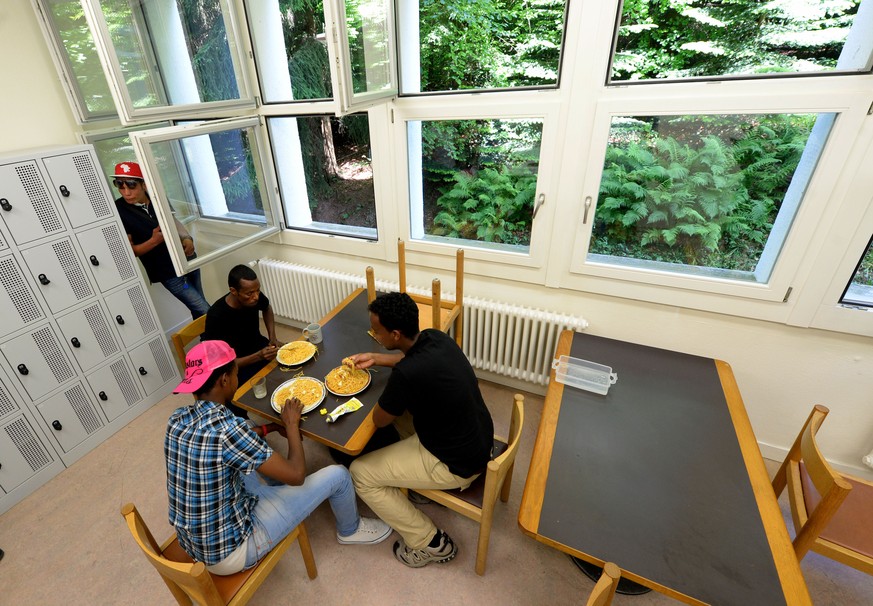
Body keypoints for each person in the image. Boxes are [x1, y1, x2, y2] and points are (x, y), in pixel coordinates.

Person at [165, 340, 392, 575]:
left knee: (247, 423)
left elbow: (232, 438)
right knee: (340, 475)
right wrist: (292, 425)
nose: (236, 376)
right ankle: (350, 530)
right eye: (235, 372)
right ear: (224, 379)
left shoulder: (177, 418)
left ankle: (277, 485)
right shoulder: (228, 432)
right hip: (231, 551)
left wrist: (269, 429)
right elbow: (297, 475)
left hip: (194, 540)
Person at [347, 292, 495, 568]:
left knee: (360, 473)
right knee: (406, 413)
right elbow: (410, 360)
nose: (374, 335)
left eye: (377, 332)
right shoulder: (435, 337)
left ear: (395, 334)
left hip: (456, 464)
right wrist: (376, 358)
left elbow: (379, 420)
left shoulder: (407, 376)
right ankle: (417, 487)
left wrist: (388, 393)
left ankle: (429, 542)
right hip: (478, 438)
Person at [111, 161, 210, 319]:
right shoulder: (118, 210)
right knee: (206, 310)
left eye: (131, 185)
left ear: (144, 184)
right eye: (120, 186)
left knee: (198, 307)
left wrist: (187, 238)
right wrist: (154, 241)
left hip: (187, 259)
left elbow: (173, 221)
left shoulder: (157, 197)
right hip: (167, 272)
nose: (126, 192)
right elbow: (132, 251)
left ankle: (206, 341)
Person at [203, 264, 281, 392]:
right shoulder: (216, 316)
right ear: (233, 291)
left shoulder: (254, 297)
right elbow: (221, 365)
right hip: (236, 368)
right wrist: (259, 356)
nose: (256, 296)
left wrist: (272, 337)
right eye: (249, 293)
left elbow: (267, 307)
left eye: (258, 290)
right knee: (261, 393)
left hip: (259, 347)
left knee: (290, 367)